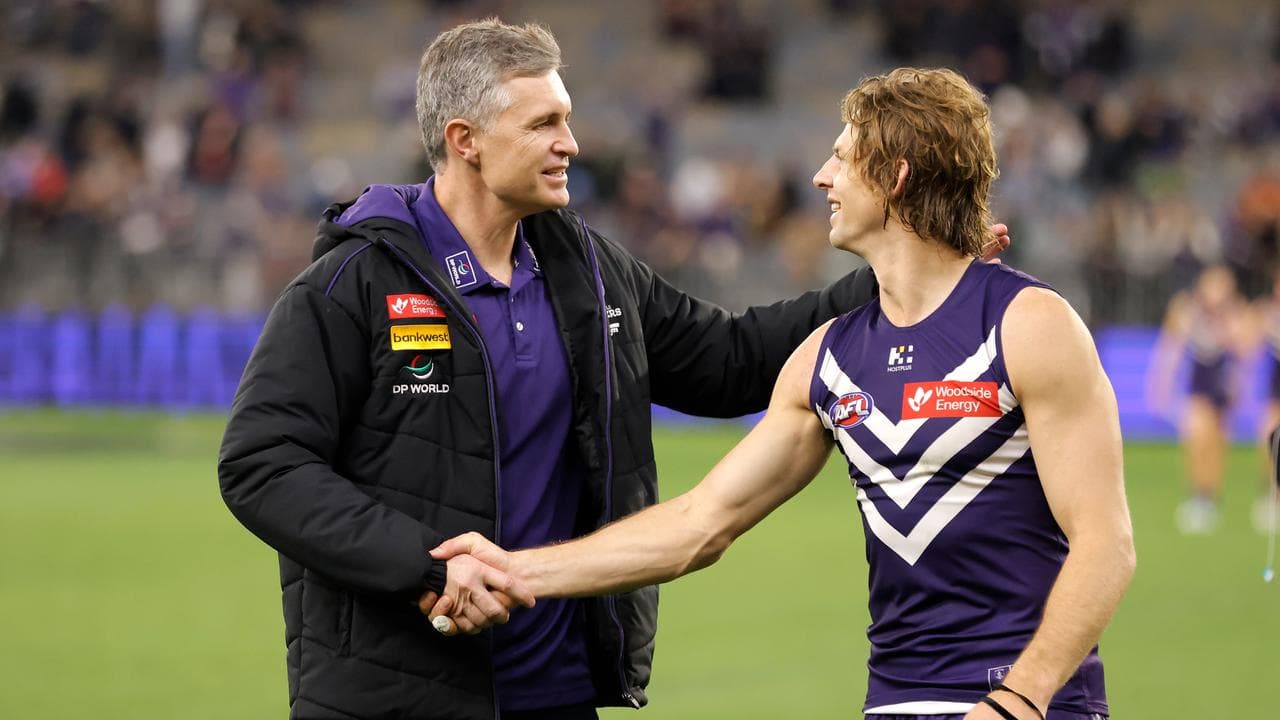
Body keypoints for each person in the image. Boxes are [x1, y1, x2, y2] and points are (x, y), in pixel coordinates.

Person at [218, 19, 1011, 720]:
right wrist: (421, 565)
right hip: (390, 694)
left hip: (555, 687)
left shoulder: (587, 269)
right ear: (465, 140)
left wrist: (896, 271)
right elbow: (262, 463)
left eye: (567, 119)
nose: (571, 142)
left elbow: (730, 363)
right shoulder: (352, 281)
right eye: (545, 124)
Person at [428, 68, 1135, 720]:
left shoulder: (1029, 325)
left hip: (1033, 707)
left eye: (842, 157)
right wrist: (514, 570)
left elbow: (1106, 546)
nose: (823, 178)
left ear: (894, 177)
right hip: (892, 703)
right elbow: (699, 524)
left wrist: (1020, 697)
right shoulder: (825, 359)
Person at [1147, 264, 1249, 534]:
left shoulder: (1233, 313)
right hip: (1198, 385)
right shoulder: (1187, 309)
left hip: (1222, 385)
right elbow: (1171, 347)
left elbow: (1243, 350)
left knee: (1217, 443)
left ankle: (1210, 497)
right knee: (1197, 437)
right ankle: (1196, 496)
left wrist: (1227, 324)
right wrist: (1162, 385)